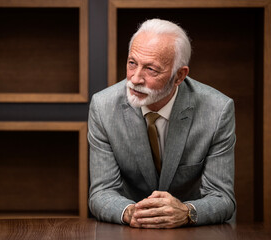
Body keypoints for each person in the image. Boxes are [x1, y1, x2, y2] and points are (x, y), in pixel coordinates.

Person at [88, 18, 236, 228]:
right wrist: (132, 213)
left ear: (179, 76)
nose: (135, 79)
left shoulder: (218, 110)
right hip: (130, 231)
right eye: (132, 63)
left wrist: (186, 212)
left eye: (151, 69)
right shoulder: (103, 107)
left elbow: (223, 198)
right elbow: (101, 193)